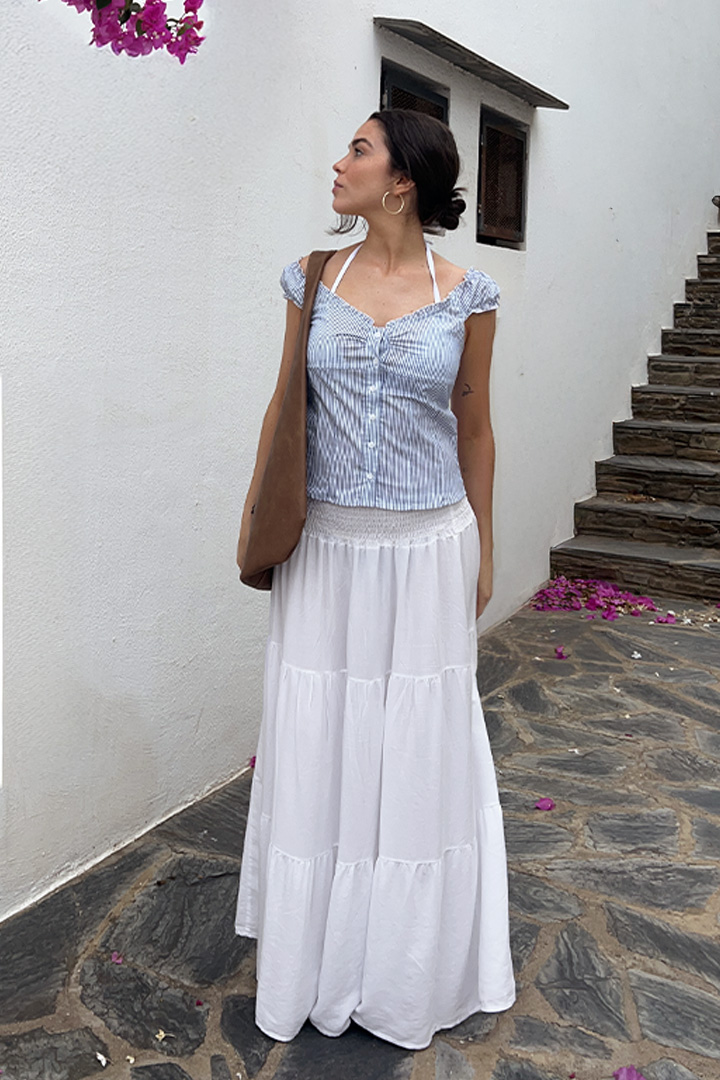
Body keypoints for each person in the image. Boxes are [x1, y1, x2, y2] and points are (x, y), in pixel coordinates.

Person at [234, 108, 516, 1051]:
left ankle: (401, 964)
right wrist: (263, 513)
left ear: (402, 180)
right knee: (323, 737)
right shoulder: (311, 278)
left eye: (358, 148)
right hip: (326, 549)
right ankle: (316, 953)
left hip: (429, 548)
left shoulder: (469, 294)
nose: (338, 161)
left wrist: (484, 545)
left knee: (416, 746)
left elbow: (475, 427)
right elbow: (285, 405)